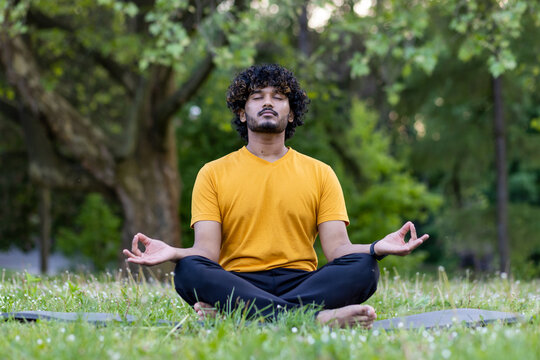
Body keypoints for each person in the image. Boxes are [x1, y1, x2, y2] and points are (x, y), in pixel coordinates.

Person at [123, 64, 429, 328]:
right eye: (257, 98)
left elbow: (339, 250)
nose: (267, 103)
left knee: (365, 268)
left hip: (302, 283)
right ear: (242, 114)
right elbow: (206, 254)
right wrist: (174, 253)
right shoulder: (212, 173)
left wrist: (378, 247)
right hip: (238, 282)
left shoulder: (320, 172)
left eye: (278, 98)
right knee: (188, 271)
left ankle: (242, 317)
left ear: (292, 113)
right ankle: (314, 319)